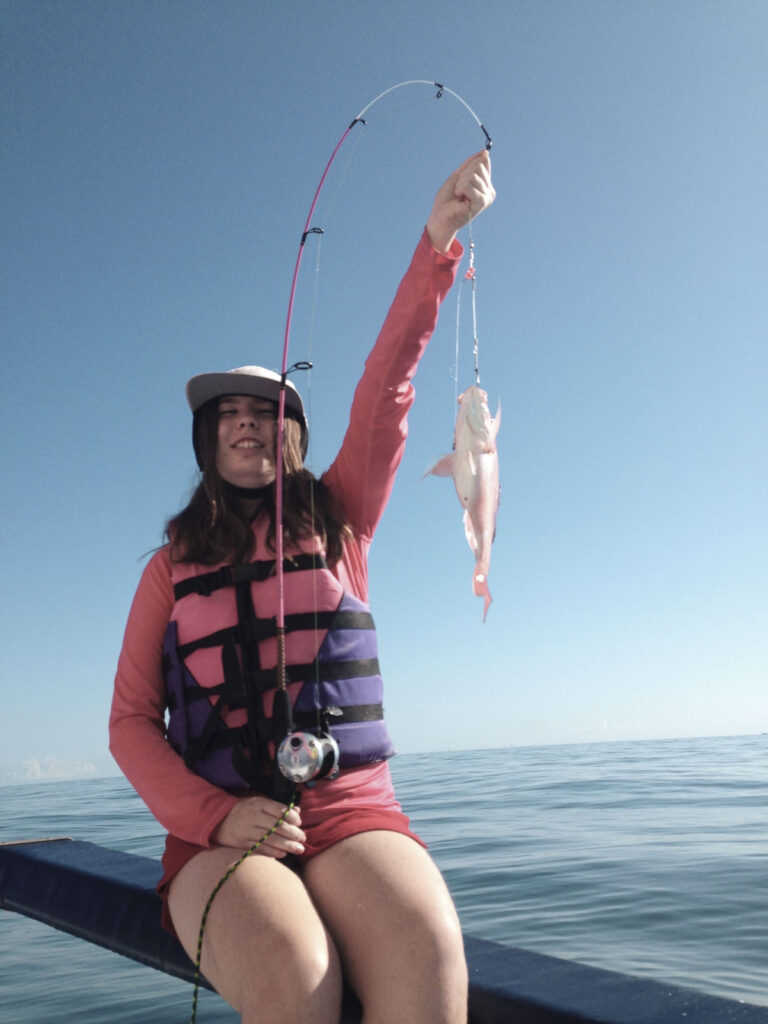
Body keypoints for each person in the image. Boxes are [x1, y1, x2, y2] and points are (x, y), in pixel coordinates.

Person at [109, 150, 495, 1024]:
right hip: (218, 833)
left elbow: (387, 389)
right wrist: (213, 815)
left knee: (431, 954)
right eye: (228, 417)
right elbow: (130, 720)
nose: (246, 425)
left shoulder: (344, 512)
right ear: (208, 443)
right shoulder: (168, 568)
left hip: (351, 810)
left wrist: (437, 246)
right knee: (293, 971)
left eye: (265, 414)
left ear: (291, 437)